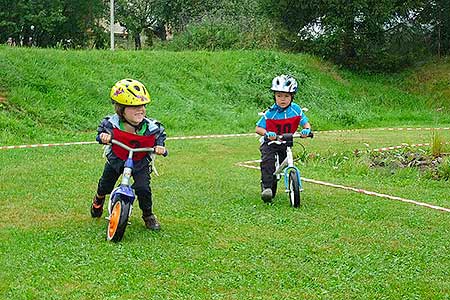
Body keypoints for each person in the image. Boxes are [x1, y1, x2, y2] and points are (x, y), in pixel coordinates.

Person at [90, 79, 167, 231]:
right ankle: (98, 199)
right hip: (117, 159)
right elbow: (101, 132)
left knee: (143, 188)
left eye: (143, 105)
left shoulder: (151, 127)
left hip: (140, 162)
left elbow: (160, 135)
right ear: (121, 109)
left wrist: (160, 146)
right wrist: (103, 137)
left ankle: (148, 215)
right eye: (134, 107)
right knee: (106, 184)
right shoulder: (111, 124)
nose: (140, 110)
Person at [255, 74, 311, 203]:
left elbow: (306, 123)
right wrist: (267, 133)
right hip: (270, 142)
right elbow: (258, 128)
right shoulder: (270, 112)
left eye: (286, 96)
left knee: (284, 161)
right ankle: (267, 188)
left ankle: (289, 180)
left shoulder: (296, 110)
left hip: (286, 141)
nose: (282, 99)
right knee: (268, 161)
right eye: (279, 96)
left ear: (292, 97)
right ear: (274, 96)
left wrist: (306, 130)